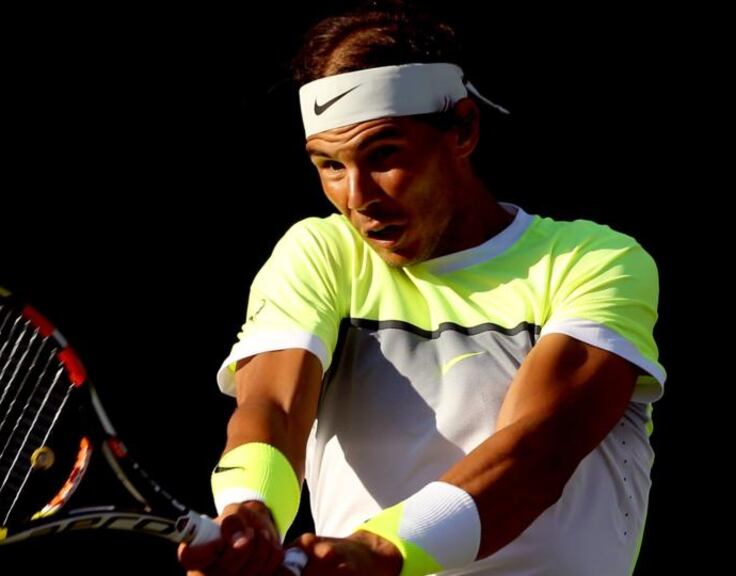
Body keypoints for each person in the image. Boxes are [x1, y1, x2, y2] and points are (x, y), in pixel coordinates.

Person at [178, 3, 665, 575]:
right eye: (330, 166)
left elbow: (538, 451)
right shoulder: (320, 252)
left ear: (462, 128)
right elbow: (275, 407)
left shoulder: (591, 260)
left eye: (384, 156)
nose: (357, 196)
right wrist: (250, 509)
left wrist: (381, 551)